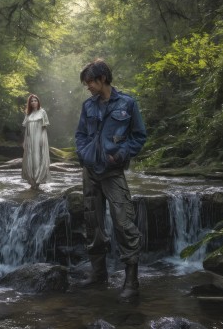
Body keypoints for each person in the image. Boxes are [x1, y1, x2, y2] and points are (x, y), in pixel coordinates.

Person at [74, 59, 147, 302]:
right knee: (92, 222)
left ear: (103, 79)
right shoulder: (88, 105)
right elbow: (81, 134)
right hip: (90, 171)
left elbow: (139, 136)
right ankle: (98, 273)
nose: (88, 87)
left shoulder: (127, 103)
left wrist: (121, 154)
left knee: (123, 222)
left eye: (90, 82)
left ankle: (131, 281)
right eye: (86, 83)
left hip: (113, 172)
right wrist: (84, 155)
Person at [21, 94, 51, 190]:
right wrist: (25, 141)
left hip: (39, 138)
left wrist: (43, 138)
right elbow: (26, 130)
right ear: (29, 103)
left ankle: (38, 181)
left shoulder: (42, 112)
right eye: (32, 101)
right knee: (29, 159)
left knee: (37, 158)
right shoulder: (28, 114)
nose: (34, 102)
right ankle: (31, 181)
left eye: (35, 100)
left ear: (38, 102)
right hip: (30, 139)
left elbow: (44, 127)